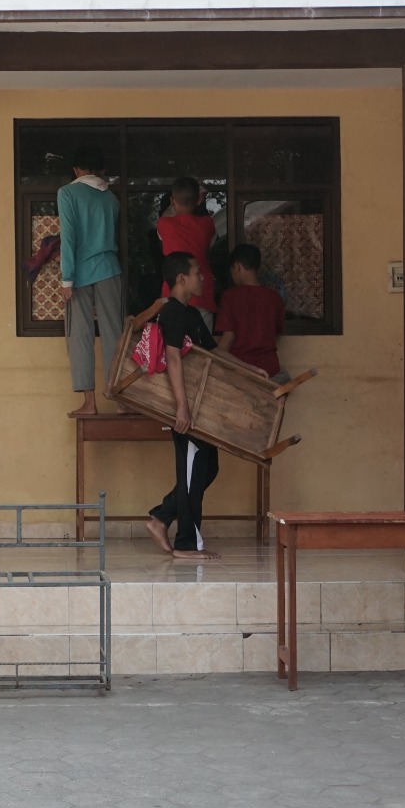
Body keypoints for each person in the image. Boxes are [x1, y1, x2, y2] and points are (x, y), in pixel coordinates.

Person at [143, 253, 222, 561]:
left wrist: (249, 370)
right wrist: (182, 408)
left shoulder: (190, 314)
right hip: (186, 407)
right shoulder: (172, 312)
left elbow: (213, 354)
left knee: (207, 467)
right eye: (197, 273)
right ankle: (186, 544)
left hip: (198, 407)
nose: (203, 277)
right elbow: (173, 358)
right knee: (193, 469)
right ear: (181, 279)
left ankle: (161, 517)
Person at [58, 145, 124, 418]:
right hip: (110, 269)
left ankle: (90, 402)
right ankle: (122, 401)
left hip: (81, 273)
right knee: (115, 336)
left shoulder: (68, 193)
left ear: (76, 169)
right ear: (100, 170)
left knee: (80, 335)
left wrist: (66, 279)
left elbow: (69, 238)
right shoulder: (111, 199)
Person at [214, 243, 287, 383]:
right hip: (271, 369)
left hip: (241, 370)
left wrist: (214, 357)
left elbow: (228, 338)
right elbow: (276, 332)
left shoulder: (230, 297)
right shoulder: (275, 297)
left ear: (236, 267)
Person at [156, 176, 218, 327]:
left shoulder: (164, 224)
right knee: (202, 348)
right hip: (201, 292)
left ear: (172, 201)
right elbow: (212, 243)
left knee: (172, 344)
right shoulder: (208, 224)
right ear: (198, 200)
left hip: (173, 294)